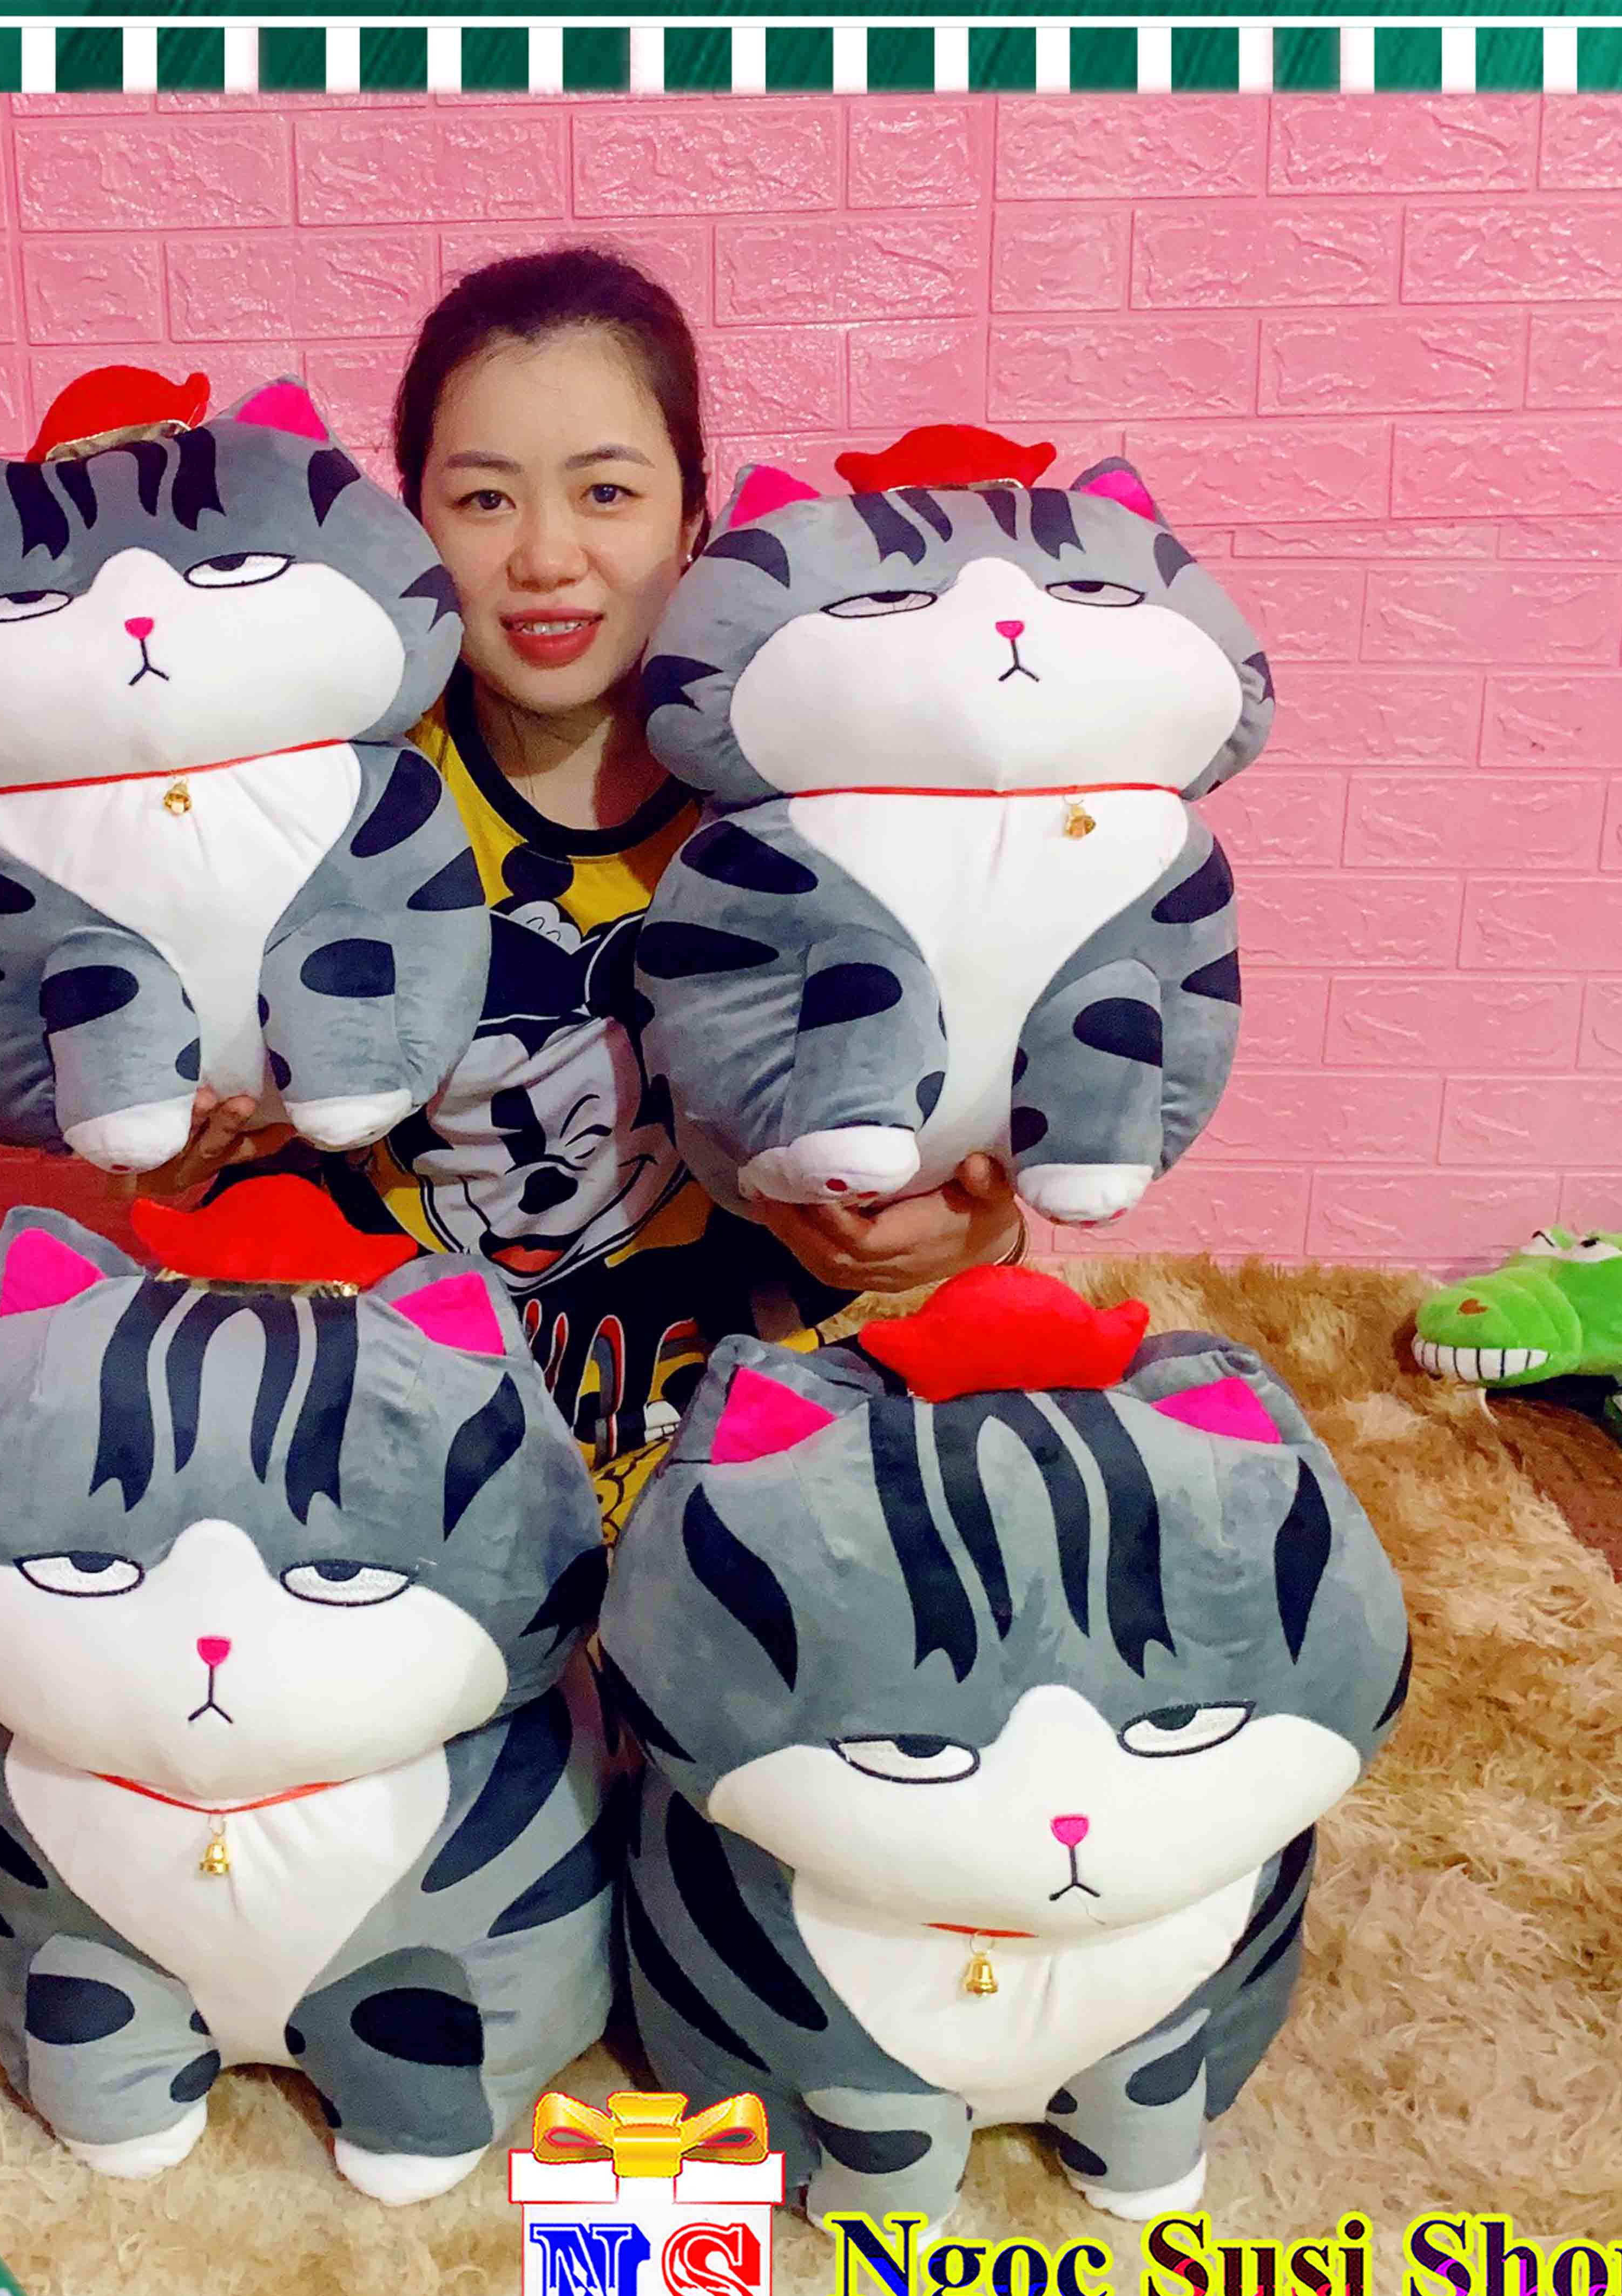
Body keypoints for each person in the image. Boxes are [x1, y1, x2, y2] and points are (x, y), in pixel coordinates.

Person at [139, 248, 1023, 1503]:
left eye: (606, 492)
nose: (547, 556)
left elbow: (975, 1095)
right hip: (405, 1454)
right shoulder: (330, 801)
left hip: (757, 1451)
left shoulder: (819, 795)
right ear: (409, 526)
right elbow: (225, 1134)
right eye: (483, 499)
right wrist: (178, 1153)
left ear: (694, 521)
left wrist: (981, 1221)